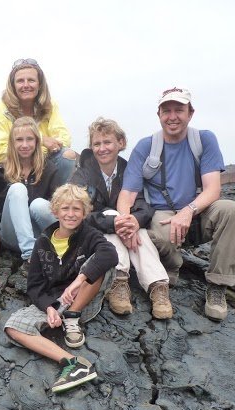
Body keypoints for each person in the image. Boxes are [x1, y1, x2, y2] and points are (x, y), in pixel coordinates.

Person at [117, 87, 235, 321]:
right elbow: (128, 194)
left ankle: (217, 286)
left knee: (231, 210)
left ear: (190, 113)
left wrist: (188, 211)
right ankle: (172, 264)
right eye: (166, 111)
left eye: (179, 110)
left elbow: (213, 189)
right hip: (162, 216)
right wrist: (125, 222)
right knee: (150, 231)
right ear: (159, 115)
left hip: (196, 212)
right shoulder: (146, 147)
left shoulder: (204, 140)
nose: (172, 116)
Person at [4, 184, 117, 393]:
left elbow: (110, 254)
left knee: (99, 263)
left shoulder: (90, 235)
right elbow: (35, 286)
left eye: (76, 209)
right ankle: (73, 363)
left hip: (82, 299)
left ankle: (73, 318)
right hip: (56, 302)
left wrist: (78, 281)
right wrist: (49, 308)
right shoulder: (42, 242)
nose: (71, 214)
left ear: (84, 212)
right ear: (55, 211)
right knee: (12, 326)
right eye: (65, 209)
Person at [71, 118, 173, 319]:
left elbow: (143, 204)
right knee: (112, 214)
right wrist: (114, 223)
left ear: (121, 143)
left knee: (139, 230)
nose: (102, 148)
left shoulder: (130, 170)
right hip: (93, 235)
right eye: (96, 144)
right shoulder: (82, 174)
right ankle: (118, 280)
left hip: (127, 231)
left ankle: (158, 286)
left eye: (107, 142)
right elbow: (76, 213)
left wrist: (133, 222)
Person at [0, 117, 65, 266]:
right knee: (17, 188)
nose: (24, 145)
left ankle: (64, 246)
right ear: (12, 143)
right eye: (19, 140)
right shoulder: (0, 172)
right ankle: (30, 254)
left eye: (29, 139)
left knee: (38, 205)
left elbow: (57, 210)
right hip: (10, 235)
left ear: (37, 141)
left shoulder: (49, 170)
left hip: (40, 234)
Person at [0, 59, 75, 181]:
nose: (26, 85)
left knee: (67, 156)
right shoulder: (1, 108)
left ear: (40, 84)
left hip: (41, 163)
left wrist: (37, 152)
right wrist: (41, 140)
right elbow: (2, 149)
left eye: (31, 80)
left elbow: (63, 139)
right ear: (13, 85)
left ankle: (57, 198)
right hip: (8, 166)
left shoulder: (50, 106)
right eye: (20, 81)